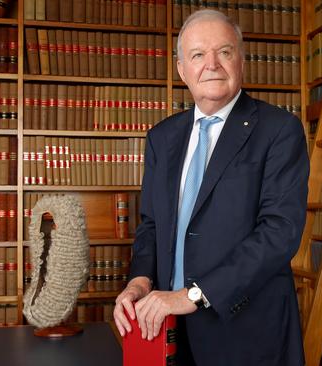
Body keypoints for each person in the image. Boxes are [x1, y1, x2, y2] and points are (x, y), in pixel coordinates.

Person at [113, 9, 309, 366]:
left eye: (225, 51)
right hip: (166, 329)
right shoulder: (162, 138)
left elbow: (280, 233)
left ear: (241, 61)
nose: (212, 64)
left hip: (246, 332)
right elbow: (151, 225)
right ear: (181, 69)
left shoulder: (279, 130)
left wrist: (194, 294)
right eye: (198, 54)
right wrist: (139, 282)